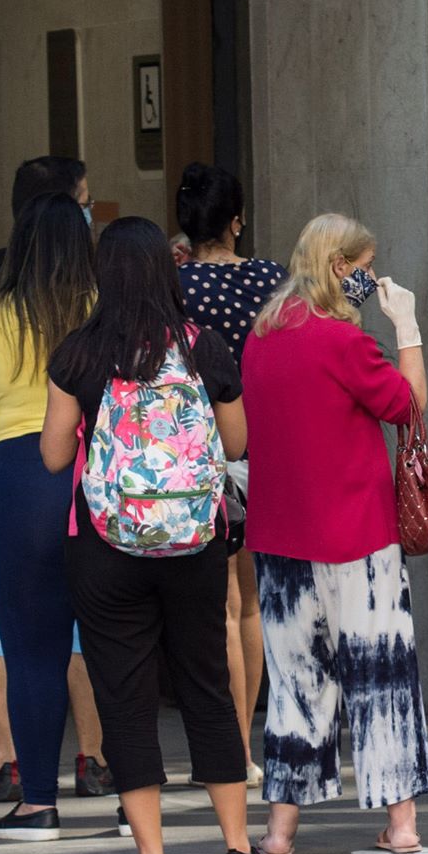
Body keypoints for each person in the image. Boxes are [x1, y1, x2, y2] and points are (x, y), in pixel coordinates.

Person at [43, 216, 271, 854]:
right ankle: (239, 853)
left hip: (105, 547)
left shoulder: (79, 353)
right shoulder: (205, 346)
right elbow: (235, 446)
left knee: (125, 695)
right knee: (206, 683)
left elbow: (55, 455)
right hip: (195, 543)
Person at [242, 213, 428, 854]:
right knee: (379, 676)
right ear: (338, 267)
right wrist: (405, 325)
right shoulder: (342, 341)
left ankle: (279, 830)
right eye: (364, 268)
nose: (369, 280)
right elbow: (407, 405)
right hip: (358, 534)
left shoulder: (262, 337)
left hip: (280, 540)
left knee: (295, 682)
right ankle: (401, 826)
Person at [0, 158, 112, 804]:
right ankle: (126, 801)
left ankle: (37, 802)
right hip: (96, 484)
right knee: (110, 642)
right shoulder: (101, 305)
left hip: (17, 481)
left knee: (30, 648)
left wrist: (1, 421)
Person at [175, 162, 287, 779]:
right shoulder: (271, 279)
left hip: (197, 452)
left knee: (219, 606)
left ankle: (229, 750)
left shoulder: (173, 286)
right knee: (250, 604)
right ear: (238, 222)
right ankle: (243, 746)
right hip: (262, 448)